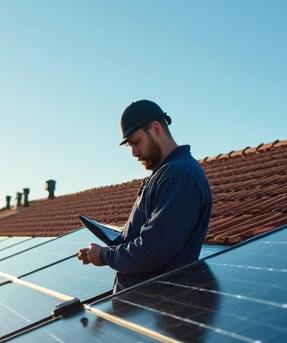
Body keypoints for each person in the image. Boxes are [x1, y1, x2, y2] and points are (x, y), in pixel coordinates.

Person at [77, 100, 212, 292]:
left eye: (136, 141)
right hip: (145, 308)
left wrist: (106, 256)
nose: (133, 152)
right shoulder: (165, 174)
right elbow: (144, 238)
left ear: (156, 128)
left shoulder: (179, 175)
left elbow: (152, 251)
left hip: (157, 310)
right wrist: (99, 252)